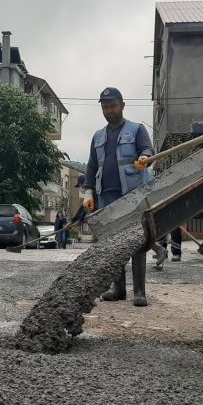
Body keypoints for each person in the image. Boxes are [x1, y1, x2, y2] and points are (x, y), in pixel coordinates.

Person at [83, 86, 154, 307]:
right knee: (113, 245)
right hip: (106, 197)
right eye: (105, 107)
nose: (109, 111)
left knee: (136, 242)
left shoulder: (136, 129)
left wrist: (144, 157)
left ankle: (140, 292)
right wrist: (88, 192)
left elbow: (148, 151)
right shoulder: (98, 136)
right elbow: (92, 166)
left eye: (112, 106)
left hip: (132, 195)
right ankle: (118, 289)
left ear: (122, 105)